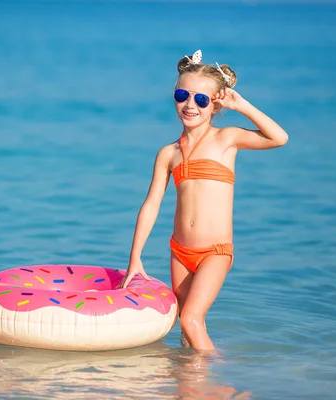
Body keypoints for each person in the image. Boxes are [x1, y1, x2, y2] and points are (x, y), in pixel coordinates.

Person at [120, 50, 288, 352]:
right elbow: (151, 205)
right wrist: (135, 257)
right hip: (180, 251)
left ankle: (217, 381)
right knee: (186, 324)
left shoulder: (227, 140)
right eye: (183, 95)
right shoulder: (168, 154)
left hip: (215, 251)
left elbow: (279, 138)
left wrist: (242, 106)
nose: (190, 105)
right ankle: (189, 385)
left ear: (214, 105)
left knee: (191, 321)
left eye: (201, 99)